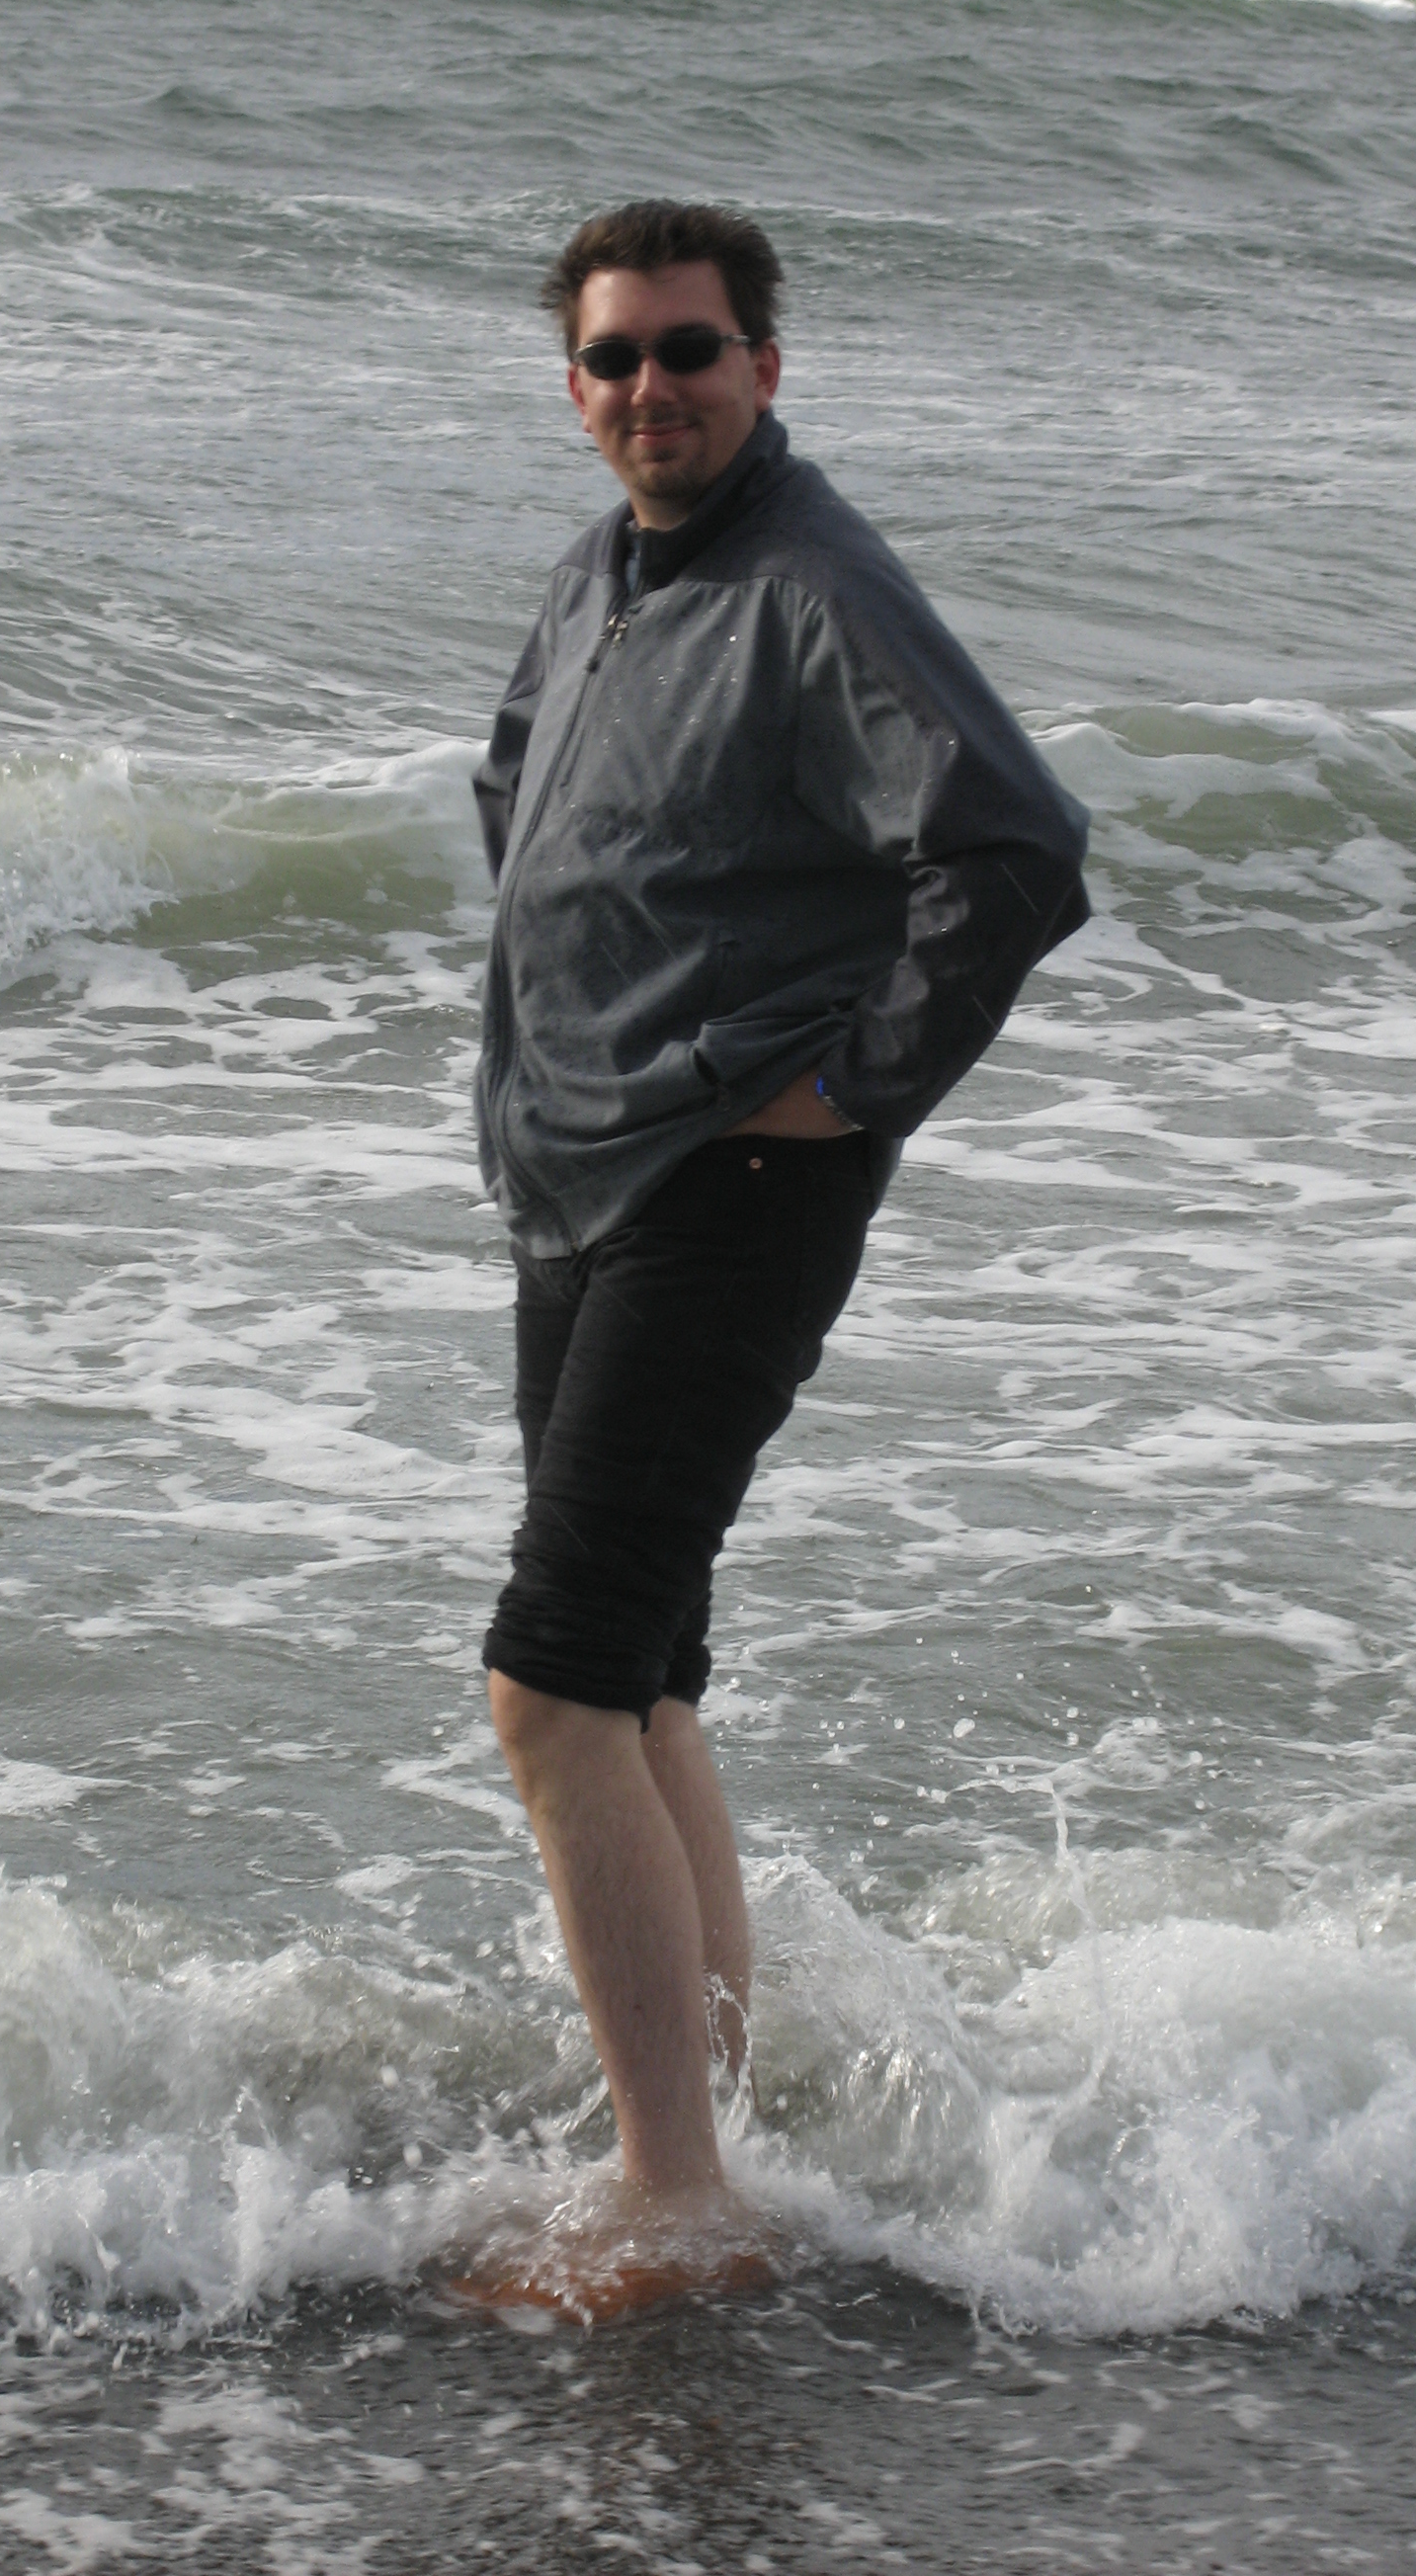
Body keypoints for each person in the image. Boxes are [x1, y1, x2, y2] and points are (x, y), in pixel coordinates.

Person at [473, 200, 1090, 2261]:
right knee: (641, 1680)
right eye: (614, 355)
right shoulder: (604, 571)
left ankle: (670, 2202)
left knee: (552, 1687)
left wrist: (841, 1088)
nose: (651, 385)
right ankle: (707, 2123)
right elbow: (516, 792)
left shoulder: (815, 585)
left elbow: (1012, 844)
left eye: (689, 348)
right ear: (575, 387)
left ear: (763, 365)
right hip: (580, 1171)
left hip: (730, 1184)